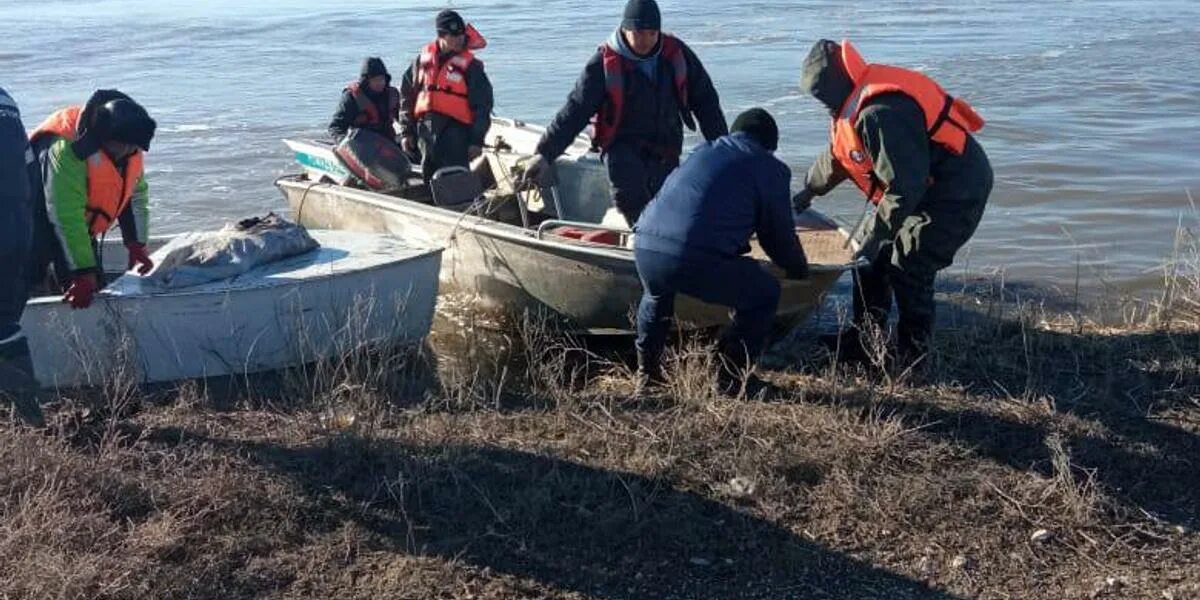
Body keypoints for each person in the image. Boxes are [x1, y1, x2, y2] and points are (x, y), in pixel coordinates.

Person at [792, 39, 992, 367]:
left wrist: (875, 234)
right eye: (818, 97)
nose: (823, 104)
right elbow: (839, 156)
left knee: (908, 263)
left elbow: (904, 188)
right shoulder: (850, 103)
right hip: (917, 187)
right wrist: (807, 192)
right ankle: (863, 342)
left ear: (839, 83)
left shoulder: (880, 113)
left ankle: (912, 355)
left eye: (823, 95)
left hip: (954, 189)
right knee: (867, 262)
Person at [633, 108, 809, 391]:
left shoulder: (703, 152)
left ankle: (648, 376)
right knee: (764, 293)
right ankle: (732, 380)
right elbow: (777, 236)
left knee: (656, 297)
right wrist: (798, 268)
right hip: (693, 257)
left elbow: (701, 207)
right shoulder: (770, 167)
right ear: (770, 145)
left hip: (645, 245)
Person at [523, 0, 727, 226]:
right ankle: (642, 247)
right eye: (639, 33)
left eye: (652, 33)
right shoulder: (603, 64)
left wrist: (723, 148)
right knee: (632, 203)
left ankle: (663, 247)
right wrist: (545, 153)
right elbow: (574, 111)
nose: (646, 40)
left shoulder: (676, 54)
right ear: (625, 29)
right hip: (622, 148)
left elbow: (706, 101)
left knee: (668, 204)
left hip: (665, 146)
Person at [26, 89, 158, 311]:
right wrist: (82, 273)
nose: (128, 151)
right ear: (105, 137)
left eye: (133, 148)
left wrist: (137, 244)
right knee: (30, 278)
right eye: (123, 146)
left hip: (79, 226)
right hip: (34, 220)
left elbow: (135, 196)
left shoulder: (131, 148)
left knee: (94, 289)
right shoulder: (67, 149)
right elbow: (64, 214)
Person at [399, 9, 494, 182]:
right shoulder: (421, 61)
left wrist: (476, 141)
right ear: (441, 35)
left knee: (456, 179)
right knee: (430, 178)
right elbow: (407, 97)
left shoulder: (471, 67)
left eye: (461, 34)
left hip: (456, 131)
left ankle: (461, 207)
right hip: (426, 129)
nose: (459, 39)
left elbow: (483, 106)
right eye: (454, 35)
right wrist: (407, 132)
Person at [0, 86, 44, 425]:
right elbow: (32, 173)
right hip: (17, 231)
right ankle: (26, 420)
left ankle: (25, 423)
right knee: (5, 324)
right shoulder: (7, 102)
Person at [328, 57, 401, 143]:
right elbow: (335, 127)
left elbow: (404, 119)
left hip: (388, 144)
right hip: (361, 146)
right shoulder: (351, 97)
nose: (380, 83)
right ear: (366, 81)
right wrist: (345, 142)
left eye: (382, 79)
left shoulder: (392, 95)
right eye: (375, 80)